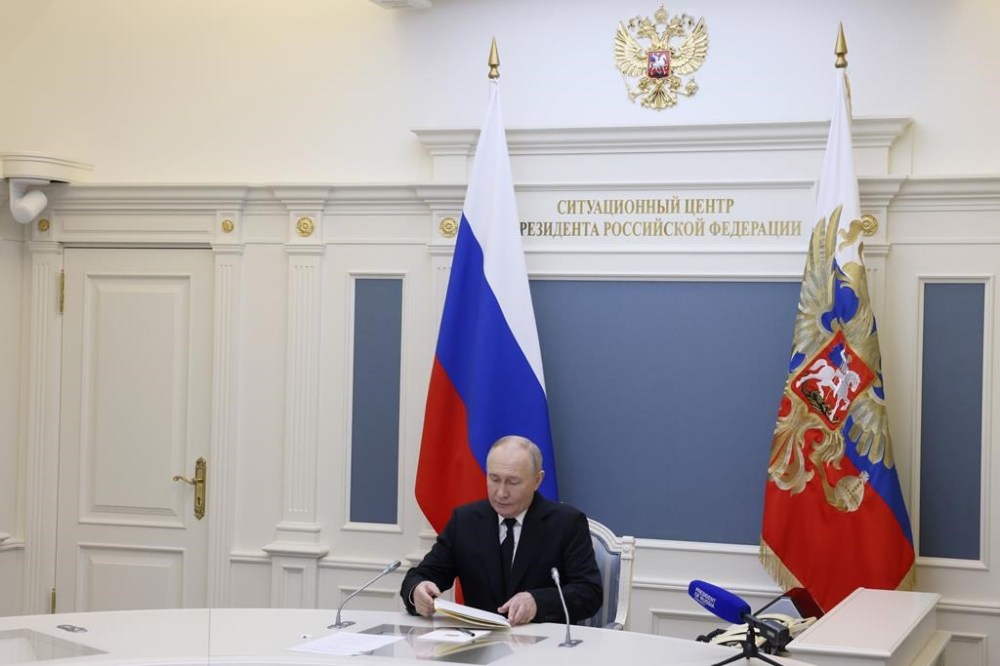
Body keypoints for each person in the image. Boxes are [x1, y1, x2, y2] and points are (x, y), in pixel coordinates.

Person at [400, 435, 602, 626]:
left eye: (513, 482)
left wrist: (537, 602)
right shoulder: (465, 521)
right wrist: (417, 590)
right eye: (494, 479)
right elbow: (421, 575)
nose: (501, 492)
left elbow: (589, 593)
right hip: (478, 649)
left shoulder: (566, 523)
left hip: (543, 647)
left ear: (537, 480)